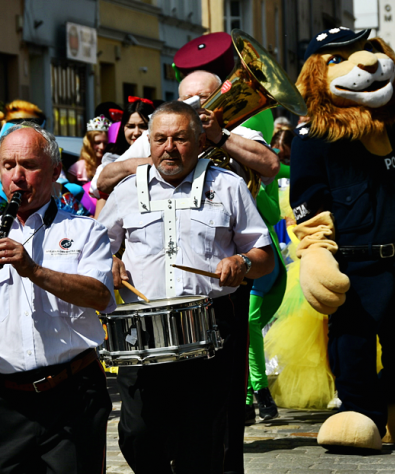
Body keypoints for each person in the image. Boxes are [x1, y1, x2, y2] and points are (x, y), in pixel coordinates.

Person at [98, 101, 274, 472]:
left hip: (210, 330)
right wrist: (109, 262)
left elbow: (264, 256)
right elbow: (97, 248)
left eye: (180, 138)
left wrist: (242, 262)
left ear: (198, 141)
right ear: (149, 142)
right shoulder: (127, 191)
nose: (169, 148)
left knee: (202, 442)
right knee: (138, 434)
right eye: (160, 139)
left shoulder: (228, 185)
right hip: (141, 333)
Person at [0, 122, 114, 473]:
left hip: (72, 394)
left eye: (29, 165)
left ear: (55, 171)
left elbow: (98, 295)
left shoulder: (85, 230)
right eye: (8, 165)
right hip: (1, 401)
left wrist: (35, 271)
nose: (17, 176)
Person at [94, 70, 280, 196]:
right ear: (178, 101)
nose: (195, 103)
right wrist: (157, 162)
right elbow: (101, 182)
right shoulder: (155, 135)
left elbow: (271, 166)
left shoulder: (239, 132)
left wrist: (219, 136)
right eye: (187, 99)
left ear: (220, 98)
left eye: (204, 97)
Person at [93, 98, 155, 216]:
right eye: (131, 126)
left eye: (143, 126)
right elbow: (100, 215)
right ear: (123, 128)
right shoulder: (111, 160)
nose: (136, 132)